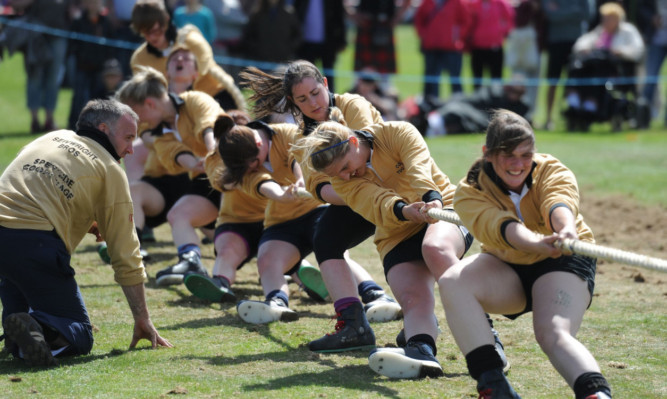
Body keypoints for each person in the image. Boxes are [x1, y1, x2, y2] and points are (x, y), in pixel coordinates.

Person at [439, 109, 612, 398]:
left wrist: (566, 230)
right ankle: (493, 386)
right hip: (509, 264)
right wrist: (534, 243)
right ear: (488, 154)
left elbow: (558, 201)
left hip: (563, 261)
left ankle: (596, 394)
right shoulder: (470, 190)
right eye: (509, 155)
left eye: (526, 154)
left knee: (552, 332)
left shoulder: (550, 168)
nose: (519, 164)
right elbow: (500, 227)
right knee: (451, 281)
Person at [293, 116, 476, 378]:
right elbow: (376, 201)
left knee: (434, 248)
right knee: (413, 299)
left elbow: (418, 166)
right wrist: (403, 211)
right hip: (396, 231)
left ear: (354, 142)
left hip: (444, 206)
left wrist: (430, 198)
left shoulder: (395, 131)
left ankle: (488, 340)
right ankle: (421, 351)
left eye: (346, 166)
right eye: (338, 174)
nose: (346, 175)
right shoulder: (343, 181)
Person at [241, 60, 403, 353]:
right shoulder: (304, 139)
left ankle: (419, 323)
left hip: (399, 191)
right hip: (356, 198)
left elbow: (366, 148)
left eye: (316, 92)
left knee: (417, 256)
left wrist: (348, 185)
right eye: (302, 99)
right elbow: (322, 189)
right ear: (292, 101)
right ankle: (354, 325)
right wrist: (351, 193)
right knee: (326, 239)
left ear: (325, 84)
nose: (312, 103)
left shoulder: (352, 105)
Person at [0, 99, 172, 367]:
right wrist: (142, 319)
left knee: (19, 289)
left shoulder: (53, 137)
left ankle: (21, 326)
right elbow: (125, 252)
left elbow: (34, 185)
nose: (129, 149)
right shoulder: (110, 169)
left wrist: (83, 218)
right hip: (34, 245)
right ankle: (38, 333)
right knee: (78, 333)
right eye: (128, 138)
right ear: (104, 129)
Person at [115, 66, 223, 286]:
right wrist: (195, 164)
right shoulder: (151, 129)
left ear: (150, 104)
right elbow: (172, 153)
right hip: (200, 181)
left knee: (239, 236)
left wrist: (211, 153)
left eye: (136, 114)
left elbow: (208, 124)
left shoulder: (193, 100)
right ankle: (188, 261)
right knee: (179, 215)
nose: (136, 123)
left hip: (234, 175)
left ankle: (296, 269)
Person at [216, 117, 328, 324]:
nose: (251, 168)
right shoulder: (243, 168)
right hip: (281, 221)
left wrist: (300, 179)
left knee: (333, 253)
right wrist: (280, 195)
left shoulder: (285, 132)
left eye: (254, 163)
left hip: (318, 208)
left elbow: (296, 156)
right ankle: (277, 302)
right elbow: (263, 184)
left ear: (259, 143)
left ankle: (373, 294)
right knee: (266, 259)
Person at [9, 0, 71, 133]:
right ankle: (35, 120)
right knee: (35, 78)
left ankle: (49, 119)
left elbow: (74, 8)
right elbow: (15, 4)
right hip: (36, 37)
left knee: (53, 79)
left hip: (59, 35)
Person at [541, 0, 591, 130]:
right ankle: (548, 119)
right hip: (555, 43)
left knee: (575, 83)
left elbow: (587, 15)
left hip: (577, 44)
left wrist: (560, 12)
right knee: (552, 81)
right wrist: (573, 12)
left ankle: (574, 117)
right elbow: (551, 15)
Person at [67, 0, 116, 130]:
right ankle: (73, 126)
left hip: (100, 67)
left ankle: (96, 127)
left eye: (96, 2)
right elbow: (73, 43)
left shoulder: (105, 22)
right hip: (82, 66)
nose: (93, 5)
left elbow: (111, 44)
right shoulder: (78, 21)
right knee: (79, 98)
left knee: (99, 99)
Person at [414, 0, 471, 98]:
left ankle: (458, 105)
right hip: (432, 47)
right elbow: (419, 20)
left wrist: (457, 36)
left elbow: (466, 20)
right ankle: (430, 105)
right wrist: (425, 35)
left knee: (455, 80)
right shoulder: (427, 2)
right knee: (431, 81)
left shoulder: (457, 2)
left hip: (451, 47)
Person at [293, 0, 347, 93]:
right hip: (305, 44)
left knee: (329, 78)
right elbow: (296, 14)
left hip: (327, 43)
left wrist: (342, 40)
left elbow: (339, 15)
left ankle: (331, 103)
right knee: (305, 77)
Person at [346, 0, 410, 75]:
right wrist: (352, 14)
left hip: (386, 25)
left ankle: (384, 84)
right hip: (365, 24)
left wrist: (398, 17)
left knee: (385, 76)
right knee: (362, 74)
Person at [466, 0, 515, 91]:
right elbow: (468, 22)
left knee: (496, 79)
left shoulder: (500, 4)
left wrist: (500, 32)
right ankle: (477, 102)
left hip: (495, 47)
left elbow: (509, 20)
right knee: (477, 79)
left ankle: (495, 100)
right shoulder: (474, 4)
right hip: (478, 47)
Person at [237, 0, 302, 65]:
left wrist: (287, 49)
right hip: (260, 61)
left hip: (282, 61)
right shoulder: (257, 12)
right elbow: (249, 34)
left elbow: (297, 35)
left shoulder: (289, 13)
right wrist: (257, 49)